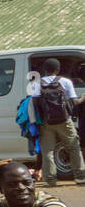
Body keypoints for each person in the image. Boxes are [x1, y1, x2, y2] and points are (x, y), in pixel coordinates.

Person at [33, 58, 85, 187]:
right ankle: (80, 177)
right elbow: (74, 102)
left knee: (47, 151)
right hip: (64, 121)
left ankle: (50, 180)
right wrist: (83, 97)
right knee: (73, 147)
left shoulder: (36, 83)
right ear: (58, 69)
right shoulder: (65, 81)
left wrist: (38, 122)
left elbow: (34, 104)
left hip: (46, 123)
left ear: (44, 70)